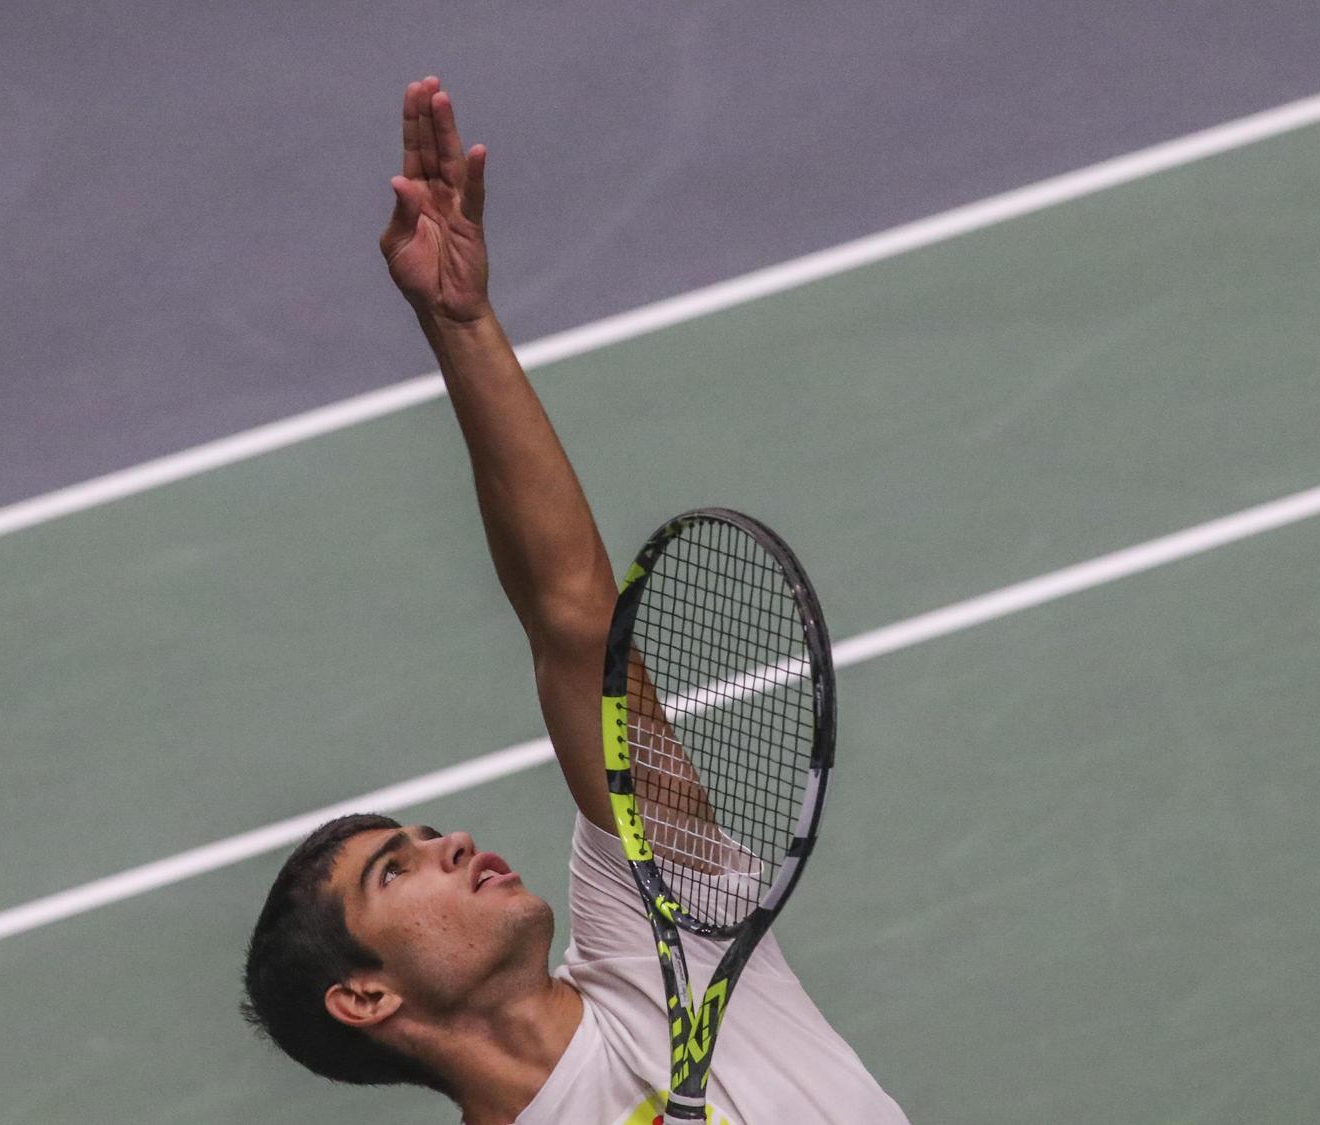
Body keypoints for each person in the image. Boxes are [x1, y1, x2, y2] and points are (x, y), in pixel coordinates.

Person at [239, 76, 910, 1125]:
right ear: (365, 994)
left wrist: (459, 324)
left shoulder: (671, 940)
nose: (448, 842)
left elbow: (574, 622)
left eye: (418, 833)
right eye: (394, 870)